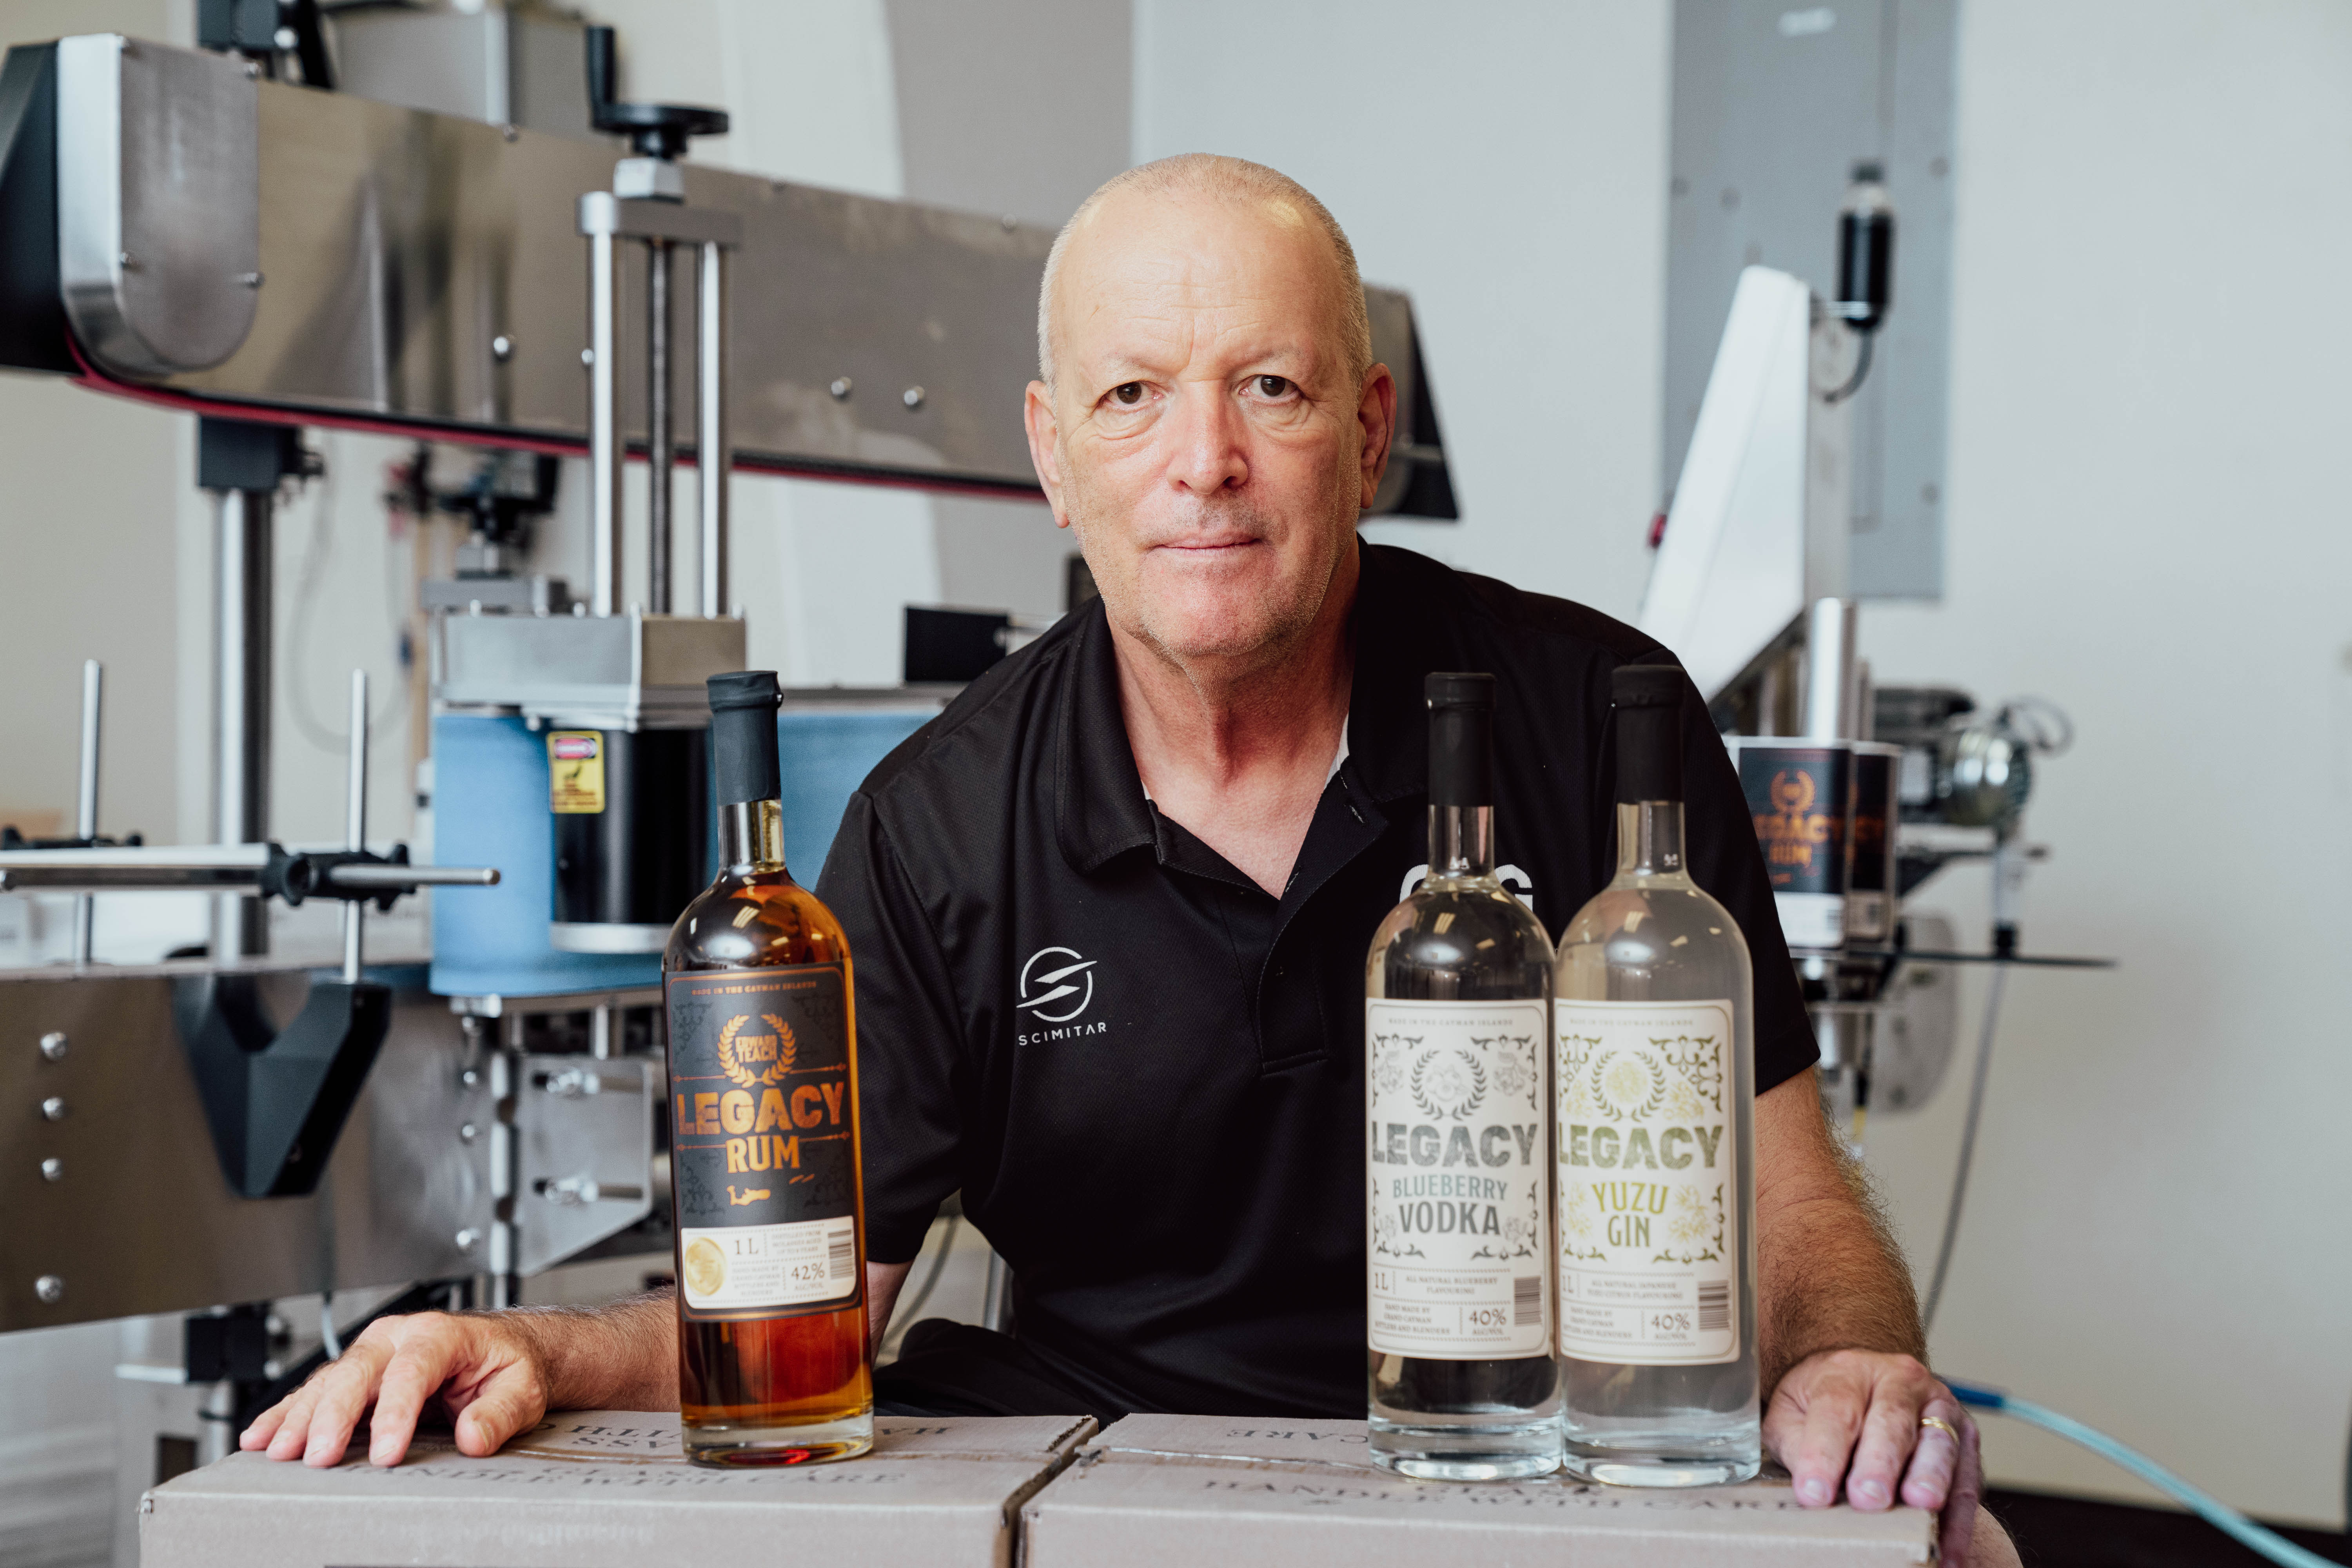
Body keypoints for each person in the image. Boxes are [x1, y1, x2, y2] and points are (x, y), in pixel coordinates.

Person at [244, 154, 2014, 1564]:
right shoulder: (942, 828)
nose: (1206, 465)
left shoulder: (1592, 717)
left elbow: (1789, 1202)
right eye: (1132, 397)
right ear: (1050, 456)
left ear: (1373, 427)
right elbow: (806, 1314)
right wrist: (532, 1348)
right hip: (1100, 1486)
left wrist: (1852, 1355)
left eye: (1270, 385)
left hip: (1520, 1470)